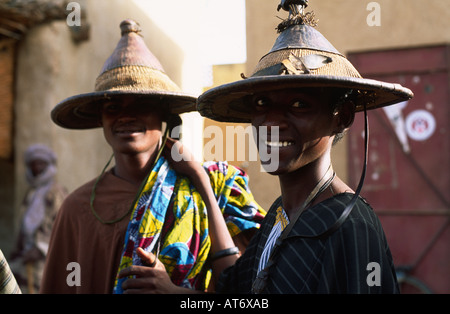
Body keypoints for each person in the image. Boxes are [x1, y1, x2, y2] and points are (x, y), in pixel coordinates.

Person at [137, 1, 413, 293]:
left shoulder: (349, 225)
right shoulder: (280, 215)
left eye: (298, 105)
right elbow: (235, 289)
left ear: (341, 117)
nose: (271, 122)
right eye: (262, 104)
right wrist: (201, 180)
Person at [40, 19, 265, 294]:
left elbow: (241, 290)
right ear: (101, 118)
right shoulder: (76, 209)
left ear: (165, 117)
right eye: (113, 106)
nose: (126, 115)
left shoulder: (216, 186)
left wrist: (199, 179)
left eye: (142, 104)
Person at [9, 144, 67, 293]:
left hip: (46, 257)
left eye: (41, 163)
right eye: (34, 164)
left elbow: (61, 224)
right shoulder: (31, 193)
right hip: (26, 257)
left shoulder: (56, 192)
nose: (37, 168)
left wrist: (40, 248)